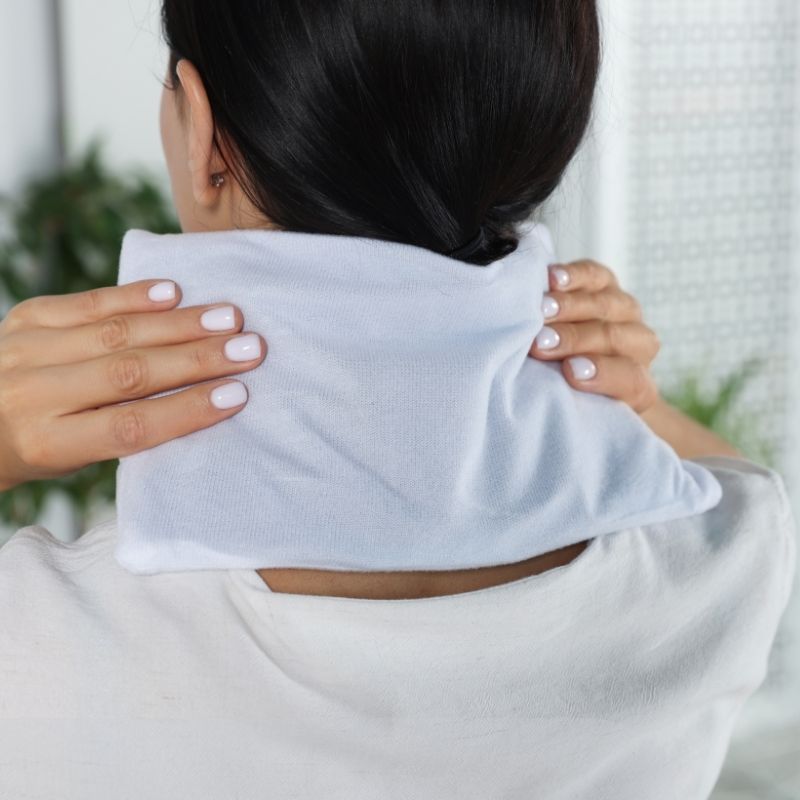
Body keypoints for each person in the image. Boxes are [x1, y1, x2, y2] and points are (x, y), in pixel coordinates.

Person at [0, 2, 795, 798]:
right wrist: (638, 405)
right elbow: (739, 485)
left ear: (205, 139)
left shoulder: (42, 642)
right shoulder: (723, 567)